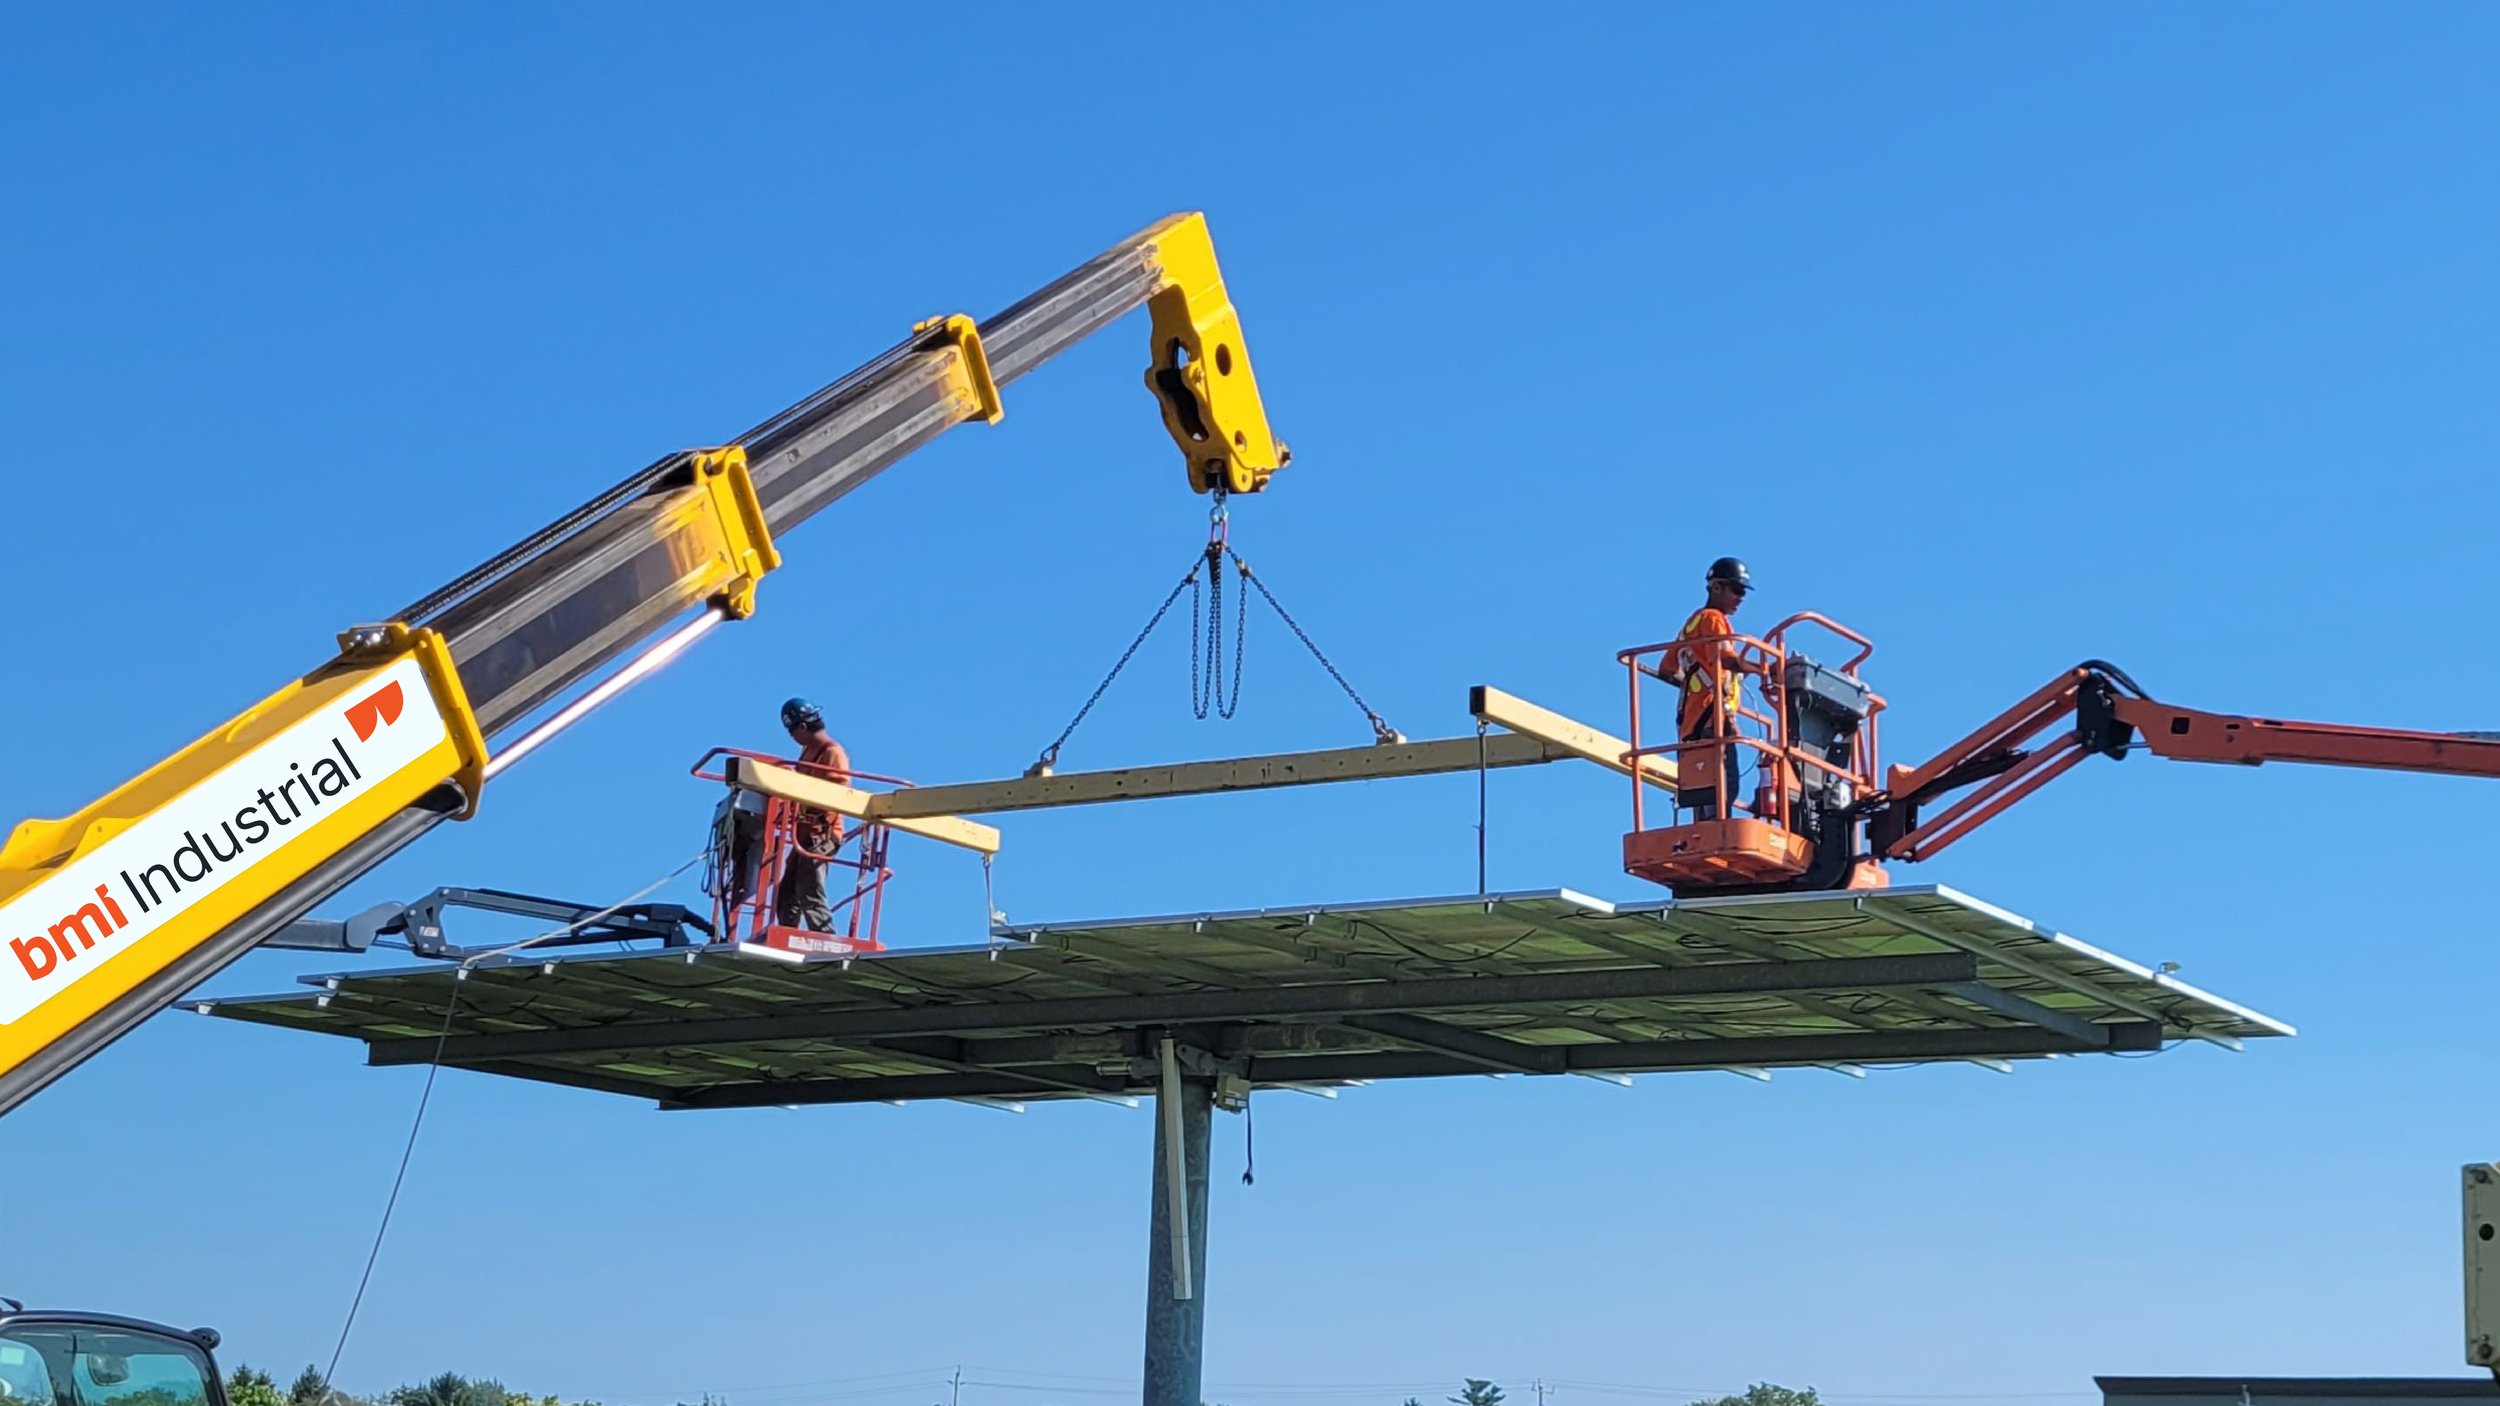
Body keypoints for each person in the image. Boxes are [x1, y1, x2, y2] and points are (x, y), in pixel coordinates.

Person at [1662, 556, 1776, 820]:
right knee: (1723, 788)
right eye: (1736, 590)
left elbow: (1667, 667)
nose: (1741, 598)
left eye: (1743, 592)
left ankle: (1707, 837)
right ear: (1716, 587)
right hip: (1712, 720)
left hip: (1693, 723)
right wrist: (1763, 668)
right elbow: (1724, 658)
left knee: (1703, 789)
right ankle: (1718, 835)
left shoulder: (1691, 625)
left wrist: (1696, 685)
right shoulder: (1714, 619)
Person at [775, 697, 850, 931]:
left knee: (808, 885)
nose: (792, 737)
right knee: (787, 890)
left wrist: (804, 808)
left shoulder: (832, 753)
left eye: (792, 732)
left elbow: (837, 795)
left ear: (803, 727)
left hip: (823, 834)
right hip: (805, 834)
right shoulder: (807, 753)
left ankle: (824, 936)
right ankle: (788, 933)